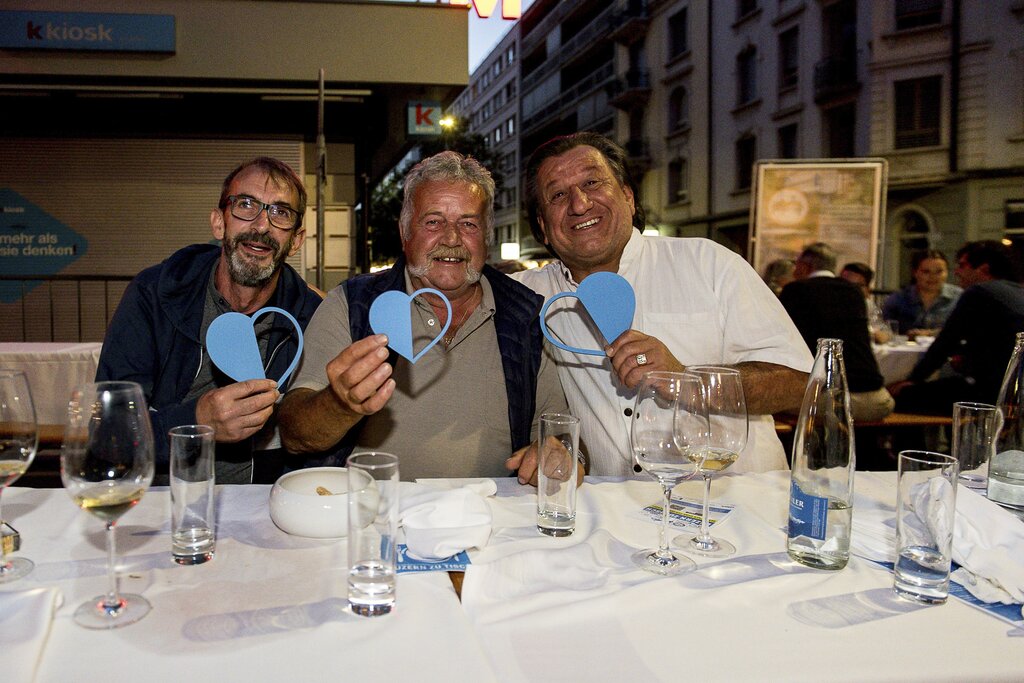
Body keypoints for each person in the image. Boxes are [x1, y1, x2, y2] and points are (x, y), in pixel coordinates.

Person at [511, 132, 812, 477]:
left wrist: (688, 380)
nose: (579, 204)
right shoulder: (528, 297)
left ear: (628, 197)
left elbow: (801, 384)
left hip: (735, 507)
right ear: (542, 227)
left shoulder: (709, 264)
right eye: (558, 195)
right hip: (615, 515)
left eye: (592, 183)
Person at [277, 151, 568, 482]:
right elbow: (294, 434)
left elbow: (558, 434)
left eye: (468, 223)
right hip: (374, 519)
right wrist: (339, 404)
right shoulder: (353, 304)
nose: (451, 238)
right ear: (404, 233)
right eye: (433, 221)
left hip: (489, 520)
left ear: (486, 238)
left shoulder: (525, 315)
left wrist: (556, 452)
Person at [97, 157, 323, 483]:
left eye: (280, 212)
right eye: (246, 205)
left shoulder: (311, 316)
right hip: (163, 502)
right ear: (219, 222)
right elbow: (108, 431)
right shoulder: (154, 294)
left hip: (266, 509)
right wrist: (195, 419)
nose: (261, 226)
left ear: (296, 240)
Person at [891, 240, 1024, 414]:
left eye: (962, 265)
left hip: (989, 395)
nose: (957, 272)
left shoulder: (979, 292)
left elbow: (946, 342)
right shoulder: (1017, 292)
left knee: (898, 398)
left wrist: (913, 380)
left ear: (983, 269)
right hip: (1015, 392)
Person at [781, 244, 894, 421]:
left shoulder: (795, 290)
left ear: (804, 266)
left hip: (824, 397)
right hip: (874, 400)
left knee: (772, 404)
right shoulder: (854, 291)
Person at [882, 249, 962, 338]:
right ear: (915, 273)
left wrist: (931, 334)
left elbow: (966, 329)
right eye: (926, 272)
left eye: (939, 272)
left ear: (947, 272)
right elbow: (885, 329)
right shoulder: (897, 300)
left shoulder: (960, 298)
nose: (933, 277)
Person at [840, 261, 890, 344]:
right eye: (846, 284)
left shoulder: (868, 306)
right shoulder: (831, 306)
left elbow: (884, 334)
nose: (851, 290)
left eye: (858, 286)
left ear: (867, 290)